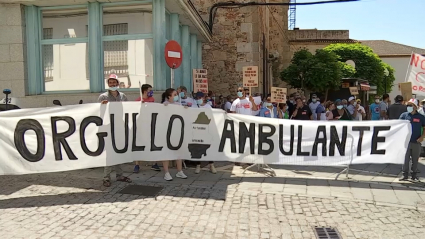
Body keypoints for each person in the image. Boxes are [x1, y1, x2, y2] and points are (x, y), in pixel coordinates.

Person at [98, 74, 132, 187]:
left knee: (118, 151)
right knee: (109, 153)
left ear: (118, 83)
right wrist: (102, 107)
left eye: (114, 82)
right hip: (108, 127)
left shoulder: (123, 96)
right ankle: (106, 177)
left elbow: (129, 109)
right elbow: (98, 113)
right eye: (110, 82)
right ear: (108, 84)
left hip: (119, 127)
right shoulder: (103, 97)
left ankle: (119, 175)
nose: (113, 84)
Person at [161, 88, 188, 181]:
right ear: (169, 96)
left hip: (177, 131)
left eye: (177, 94)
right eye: (175, 94)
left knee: (179, 152)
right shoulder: (164, 105)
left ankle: (179, 171)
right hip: (167, 131)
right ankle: (166, 173)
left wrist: (185, 109)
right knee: (166, 153)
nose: (177, 96)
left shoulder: (178, 104)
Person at [134, 84, 160, 173]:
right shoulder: (138, 101)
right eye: (150, 90)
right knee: (139, 145)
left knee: (153, 143)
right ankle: (137, 164)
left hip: (151, 124)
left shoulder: (151, 99)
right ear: (145, 91)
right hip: (141, 125)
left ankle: (154, 163)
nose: (151, 92)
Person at [399, 99, 425, 182]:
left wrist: (422, 137)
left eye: (411, 105)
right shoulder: (404, 115)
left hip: (416, 141)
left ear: (415, 107)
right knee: (405, 159)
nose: (409, 107)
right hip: (406, 142)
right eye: (408, 105)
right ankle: (404, 175)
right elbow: (398, 126)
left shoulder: (421, 117)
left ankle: (414, 175)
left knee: (415, 159)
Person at [193, 92, 217, 174]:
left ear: (203, 98)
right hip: (197, 129)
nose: (199, 99)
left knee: (208, 147)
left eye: (200, 97)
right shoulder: (194, 106)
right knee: (197, 148)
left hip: (207, 129)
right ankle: (198, 165)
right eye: (197, 98)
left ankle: (211, 164)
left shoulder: (208, 106)